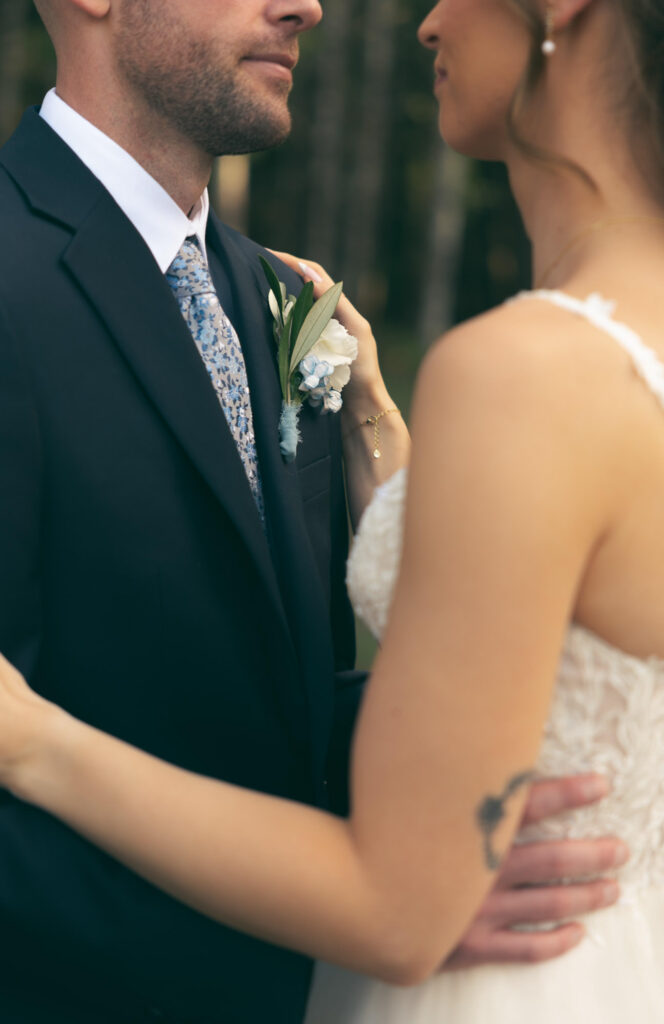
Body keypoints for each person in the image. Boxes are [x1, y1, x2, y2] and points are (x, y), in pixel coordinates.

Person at [0, 0, 630, 1021]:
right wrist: (341, 929)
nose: (307, 5)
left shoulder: (285, 303)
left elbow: (272, 705)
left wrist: (432, 847)